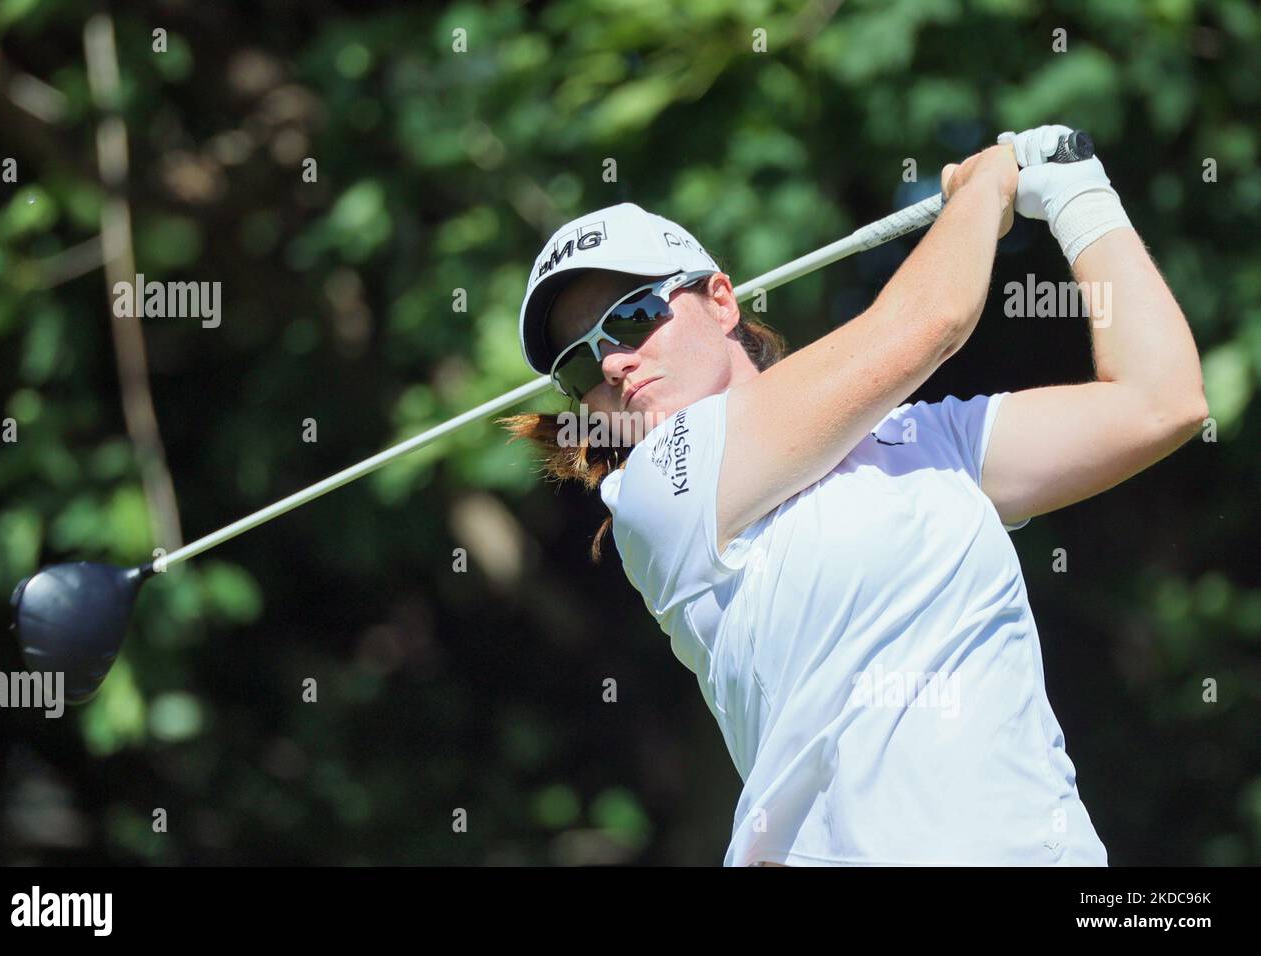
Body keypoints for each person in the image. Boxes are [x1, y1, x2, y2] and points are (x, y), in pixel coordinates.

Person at [501, 124, 1207, 866]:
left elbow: (1161, 402)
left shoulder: (923, 443)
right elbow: (929, 321)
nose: (613, 363)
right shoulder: (655, 494)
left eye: (633, 318)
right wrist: (986, 187)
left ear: (720, 301)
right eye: (579, 365)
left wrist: (1077, 193)